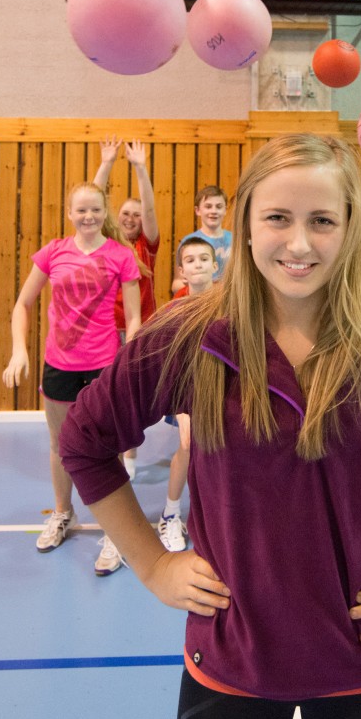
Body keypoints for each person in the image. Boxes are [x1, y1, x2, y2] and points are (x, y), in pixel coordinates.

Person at [59, 133, 361, 719]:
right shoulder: (188, 337)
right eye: (278, 217)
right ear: (246, 222)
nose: (299, 244)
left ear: (353, 227)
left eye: (323, 220)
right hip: (231, 663)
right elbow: (85, 442)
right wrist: (153, 565)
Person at [2, 182, 142, 577]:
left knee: (107, 447)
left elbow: (133, 317)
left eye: (95, 210)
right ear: (69, 213)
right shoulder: (53, 253)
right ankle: (64, 514)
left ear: (105, 212)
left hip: (102, 365)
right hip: (59, 365)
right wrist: (19, 349)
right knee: (60, 445)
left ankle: (116, 531)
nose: (88, 217)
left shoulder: (120, 255)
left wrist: (129, 358)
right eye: (81, 210)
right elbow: (23, 304)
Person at [94, 136, 160, 481]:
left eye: (135, 214)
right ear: (114, 219)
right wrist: (106, 164)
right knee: (103, 395)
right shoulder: (106, 245)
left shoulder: (145, 247)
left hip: (138, 332)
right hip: (104, 333)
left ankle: (129, 457)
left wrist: (140, 168)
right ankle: (105, 454)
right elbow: (93, 203)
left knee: (129, 396)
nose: (132, 218)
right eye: (125, 214)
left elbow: (149, 210)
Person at [158, 237, 218, 553]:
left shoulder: (229, 305)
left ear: (215, 266)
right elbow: (171, 365)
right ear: (182, 272)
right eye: (191, 260)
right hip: (187, 394)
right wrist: (182, 410)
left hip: (222, 392)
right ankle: (170, 513)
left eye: (204, 259)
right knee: (187, 447)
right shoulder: (174, 312)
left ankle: (219, 519)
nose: (198, 265)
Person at [172, 185, 232, 292]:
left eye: (218, 207)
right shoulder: (187, 243)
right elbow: (176, 284)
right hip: (200, 302)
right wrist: (193, 285)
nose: (213, 211)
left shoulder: (235, 240)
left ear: (225, 210)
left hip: (229, 300)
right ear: (198, 210)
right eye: (208, 206)